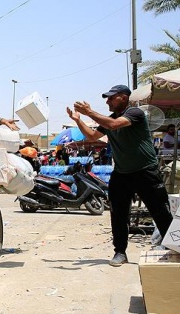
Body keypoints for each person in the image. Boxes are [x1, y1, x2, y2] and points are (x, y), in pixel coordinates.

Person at [66, 84, 173, 267]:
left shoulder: (135, 114)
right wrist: (78, 120)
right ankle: (120, 252)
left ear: (123, 97)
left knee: (160, 212)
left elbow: (114, 125)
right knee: (118, 214)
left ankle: (174, 248)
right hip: (122, 173)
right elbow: (92, 136)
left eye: (110, 97)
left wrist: (89, 112)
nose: (107, 101)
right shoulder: (109, 119)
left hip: (145, 171)